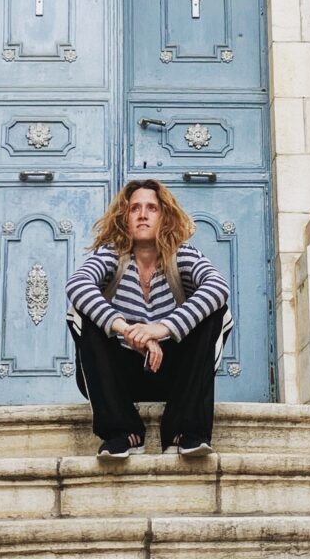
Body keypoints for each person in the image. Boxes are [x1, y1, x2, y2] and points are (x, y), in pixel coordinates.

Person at [65, 178, 232, 461]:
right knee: (79, 311)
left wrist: (161, 329)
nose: (142, 214)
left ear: (164, 216)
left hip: (174, 375)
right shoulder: (110, 255)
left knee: (217, 311)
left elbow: (218, 287)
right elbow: (77, 284)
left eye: (152, 208)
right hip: (118, 377)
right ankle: (122, 433)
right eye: (134, 209)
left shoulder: (183, 255)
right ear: (124, 217)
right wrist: (129, 331)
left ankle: (183, 432)